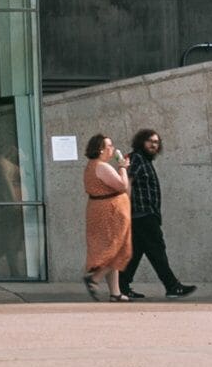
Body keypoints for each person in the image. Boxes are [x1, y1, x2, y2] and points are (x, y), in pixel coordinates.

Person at [123, 128, 198, 298]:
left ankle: (122, 286)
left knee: (136, 252)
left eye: (156, 142)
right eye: (150, 141)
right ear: (141, 142)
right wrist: (124, 209)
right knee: (157, 250)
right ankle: (172, 286)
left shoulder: (145, 160)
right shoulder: (137, 158)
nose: (153, 145)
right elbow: (128, 182)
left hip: (146, 215)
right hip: (143, 215)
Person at [80, 133, 133, 300]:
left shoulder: (92, 165)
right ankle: (94, 279)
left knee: (111, 248)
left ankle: (115, 292)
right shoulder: (102, 167)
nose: (112, 148)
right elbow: (122, 185)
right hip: (109, 212)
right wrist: (123, 167)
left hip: (99, 210)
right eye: (109, 146)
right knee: (118, 249)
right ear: (101, 149)